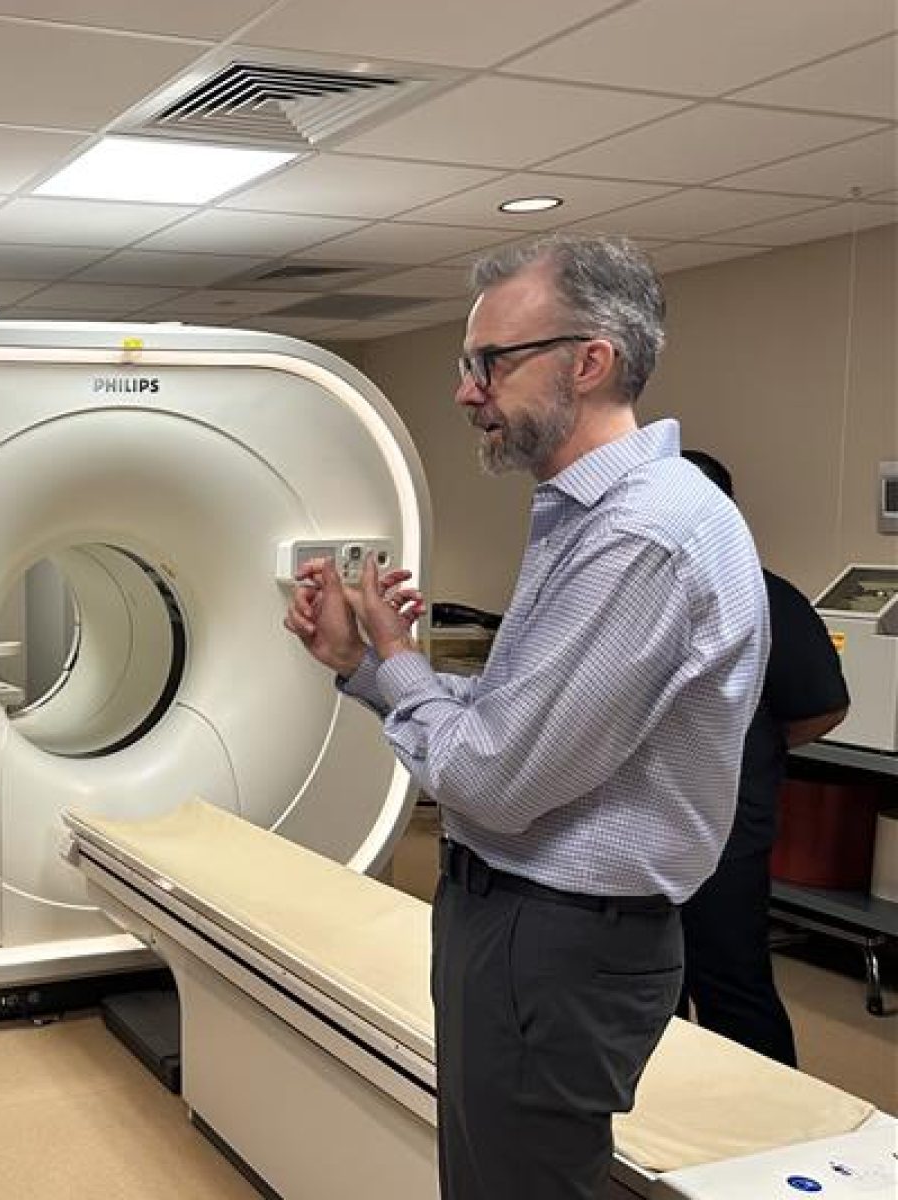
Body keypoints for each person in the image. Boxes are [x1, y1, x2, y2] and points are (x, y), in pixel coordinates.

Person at [285, 232, 768, 1199]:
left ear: (589, 362)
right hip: (524, 930)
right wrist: (369, 661)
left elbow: (493, 778)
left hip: (556, 943)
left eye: (489, 363)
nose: (467, 391)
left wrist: (396, 662)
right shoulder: (587, 518)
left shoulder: (641, 537)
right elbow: (519, 727)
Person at [678, 449, 849, 1066]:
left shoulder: (765, 596)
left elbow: (823, 706)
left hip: (725, 829)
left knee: (730, 981)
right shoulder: (637, 592)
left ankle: (765, 1132)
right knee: (647, 986)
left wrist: (754, 747)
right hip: (642, 834)